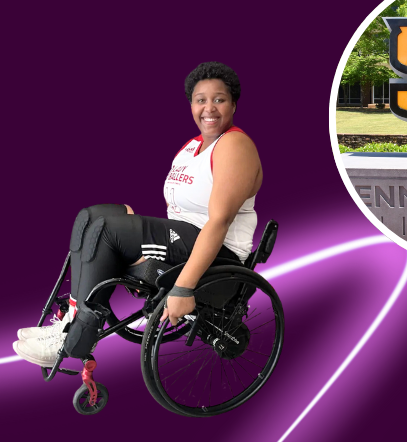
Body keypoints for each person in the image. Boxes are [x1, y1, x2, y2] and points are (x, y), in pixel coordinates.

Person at [13, 61, 263, 367]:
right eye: (200, 100)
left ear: (233, 104)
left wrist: (183, 287)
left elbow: (219, 221)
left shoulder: (235, 145)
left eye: (219, 99)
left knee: (108, 229)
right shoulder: (191, 147)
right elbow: (178, 208)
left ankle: (76, 338)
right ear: (191, 105)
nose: (209, 108)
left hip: (216, 256)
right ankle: (69, 320)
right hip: (183, 237)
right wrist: (132, 222)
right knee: (92, 217)